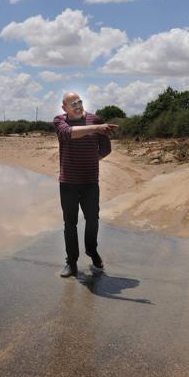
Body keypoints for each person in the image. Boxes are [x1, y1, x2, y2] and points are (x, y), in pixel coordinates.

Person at [53, 92, 118, 278]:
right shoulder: (59, 121)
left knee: (92, 219)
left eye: (79, 101)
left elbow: (106, 148)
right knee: (70, 224)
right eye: (72, 103)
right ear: (64, 108)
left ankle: (92, 251)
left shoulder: (94, 119)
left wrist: (92, 160)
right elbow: (68, 134)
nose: (77, 105)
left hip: (90, 182)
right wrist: (96, 128)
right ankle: (71, 263)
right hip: (68, 182)